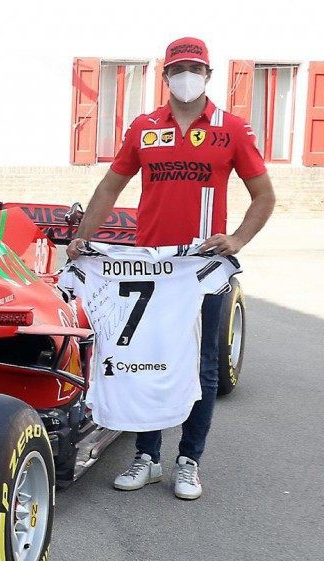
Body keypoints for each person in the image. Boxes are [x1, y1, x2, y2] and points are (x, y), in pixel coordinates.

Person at [69, 36, 274, 500]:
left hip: (202, 268)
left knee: (202, 369)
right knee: (147, 360)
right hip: (149, 268)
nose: (186, 76)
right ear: (165, 76)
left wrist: (238, 240)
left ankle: (189, 461)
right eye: (178, 68)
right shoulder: (143, 128)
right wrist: (83, 235)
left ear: (208, 75)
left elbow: (264, 196)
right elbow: (108, 188)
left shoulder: (232, 129)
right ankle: (147, 457)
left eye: (194, 68)